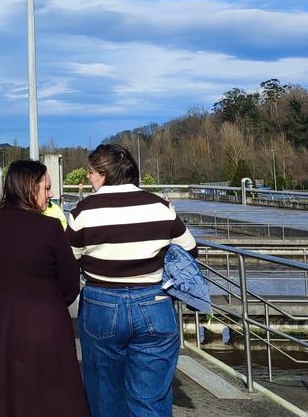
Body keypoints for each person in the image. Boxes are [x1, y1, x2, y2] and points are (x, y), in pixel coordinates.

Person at [67, 144, 198, 417]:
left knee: (106, 399)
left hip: (102, 302)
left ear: (104, 173)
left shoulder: (83, 211)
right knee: (151, 400)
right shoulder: (160, 206)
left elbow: (70, 259)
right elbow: (189, 250)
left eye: (91, 172)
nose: (88, 178)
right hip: (154, 301)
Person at [0, 160, 88, 416]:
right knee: (48, 398)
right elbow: (70, 282)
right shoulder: (49, 228)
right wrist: (50, 303)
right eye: (46, 188)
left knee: (4, 398)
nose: (51, 194)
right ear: (29, 188)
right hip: (44, 326)